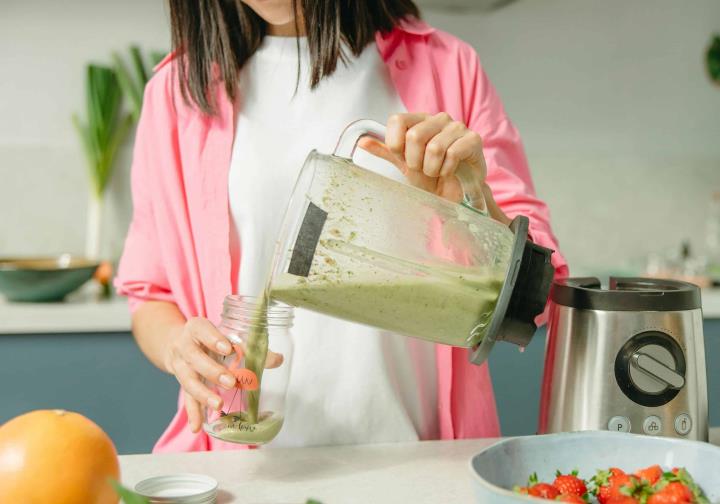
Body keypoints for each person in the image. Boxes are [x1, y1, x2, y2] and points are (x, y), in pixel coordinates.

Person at [115, 0, 568, 452]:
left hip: (420, 459)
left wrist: (472, 210)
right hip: (245, 470)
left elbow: (541, 300)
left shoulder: (449, 68)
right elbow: (151, 295)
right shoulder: (176, 93)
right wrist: (178, 346)